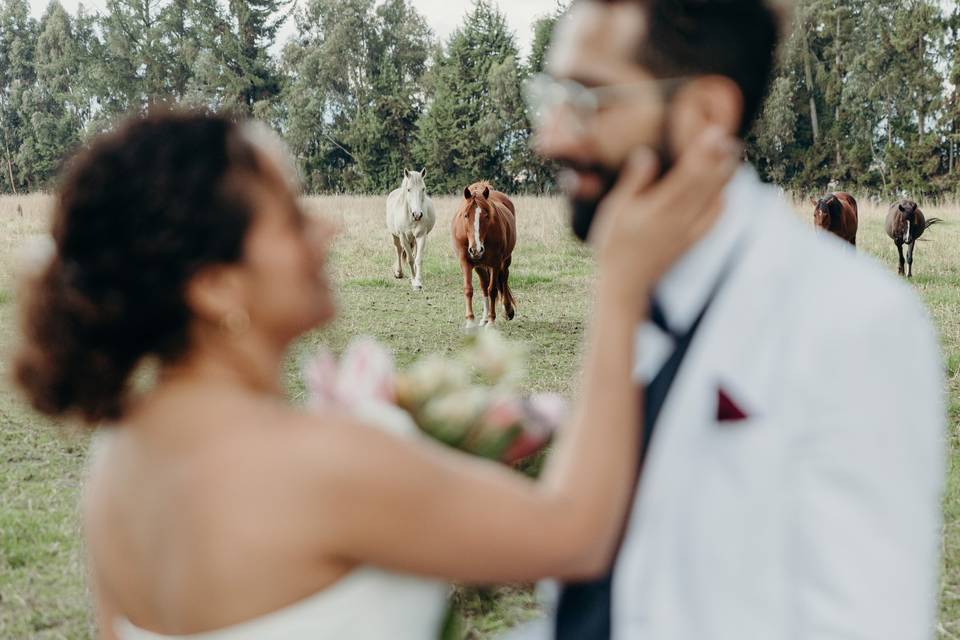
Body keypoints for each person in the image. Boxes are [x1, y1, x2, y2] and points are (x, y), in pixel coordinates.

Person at [13, 110, 739, 638]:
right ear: (215, 287)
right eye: (291, 218)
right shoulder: (319, 464)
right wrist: (622, 283)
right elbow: (579, 533)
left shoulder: (117, 462)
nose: (325, 229)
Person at [522, 1, 945, 638]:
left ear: (707, 114)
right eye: (551, 95)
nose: (549, 137)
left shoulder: (854, 322)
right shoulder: (629, 287)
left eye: (589, 97)